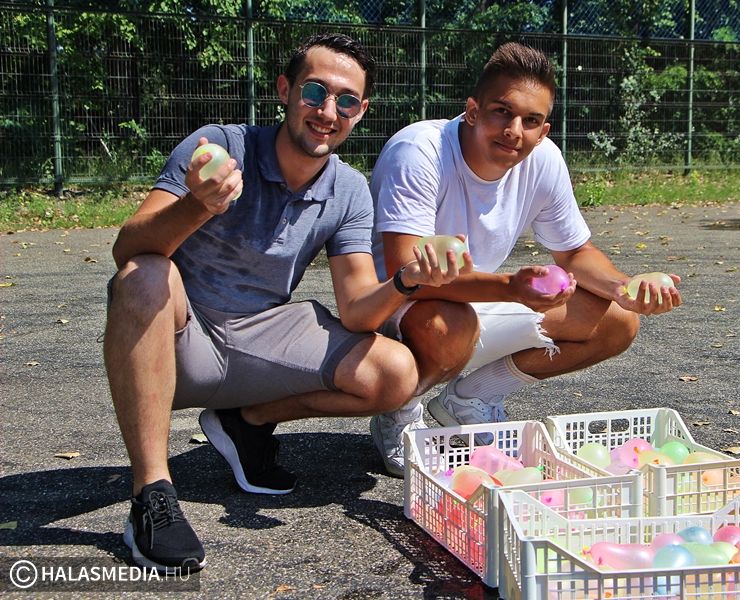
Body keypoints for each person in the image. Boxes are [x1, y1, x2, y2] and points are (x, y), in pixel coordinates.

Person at [103, 33, 468, 573]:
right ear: (284, 90)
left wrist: (407, 280)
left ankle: (246, 422)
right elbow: (127, 249)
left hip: (261, 337)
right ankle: (152, 494)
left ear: (361, 111)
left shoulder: (349, 190)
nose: (328, 112)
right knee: (143, 275)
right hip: (179, 338)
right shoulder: (220, 147)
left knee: (394, 375)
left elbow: (357, 310)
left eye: (346, 101)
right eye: (315, 92)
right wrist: (198, 206)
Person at [368, 42, 682, 476]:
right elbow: (405, 273)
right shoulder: (419, 150)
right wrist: (511, 288)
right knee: (447, 324)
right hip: (393, 310)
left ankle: (470, 399)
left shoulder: (543, 160)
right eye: (502, 112)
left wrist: (624, 289)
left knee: (616, 321)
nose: (514, 130)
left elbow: (574, 252)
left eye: (530, 121)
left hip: (473, 298)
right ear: (473, 111)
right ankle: (400, 410)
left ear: (543, 130)